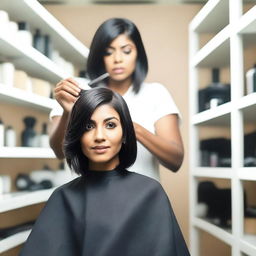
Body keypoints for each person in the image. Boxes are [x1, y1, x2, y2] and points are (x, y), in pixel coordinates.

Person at [20, 87, 190, 256]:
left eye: (110, 125)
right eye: (88, 126)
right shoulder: (63, 198)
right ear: (78, 136)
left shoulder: (151, 193)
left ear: (124, 134)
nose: (99, 136)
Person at [49, 17, 184, 181]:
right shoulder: (78, 90)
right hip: (84, 199)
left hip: (139, 198)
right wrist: (67, 112)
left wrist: (132, 128)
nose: (117, 59)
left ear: (138, 54)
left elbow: (175, 160)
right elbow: (58, 152)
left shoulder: (156, 93)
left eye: (126, 51)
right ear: (100, 56)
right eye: (108, 52)